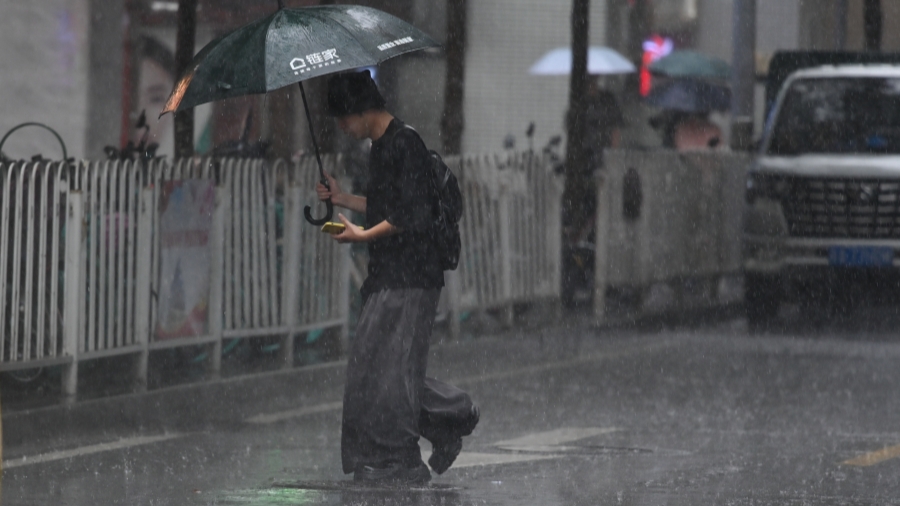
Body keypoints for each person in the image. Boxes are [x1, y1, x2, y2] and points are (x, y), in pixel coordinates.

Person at [316, 70, 479, 486]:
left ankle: (400, 457)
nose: (341, 127)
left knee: (390, 368)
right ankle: (444, 421)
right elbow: (385, 204)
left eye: (342, 118)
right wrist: (341, 200)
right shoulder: (383, 146)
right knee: (378, 366)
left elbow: (413, 213)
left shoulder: (404, 143)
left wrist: (360, 235)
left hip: (412, 275)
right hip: (390, 273)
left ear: (359, 109)